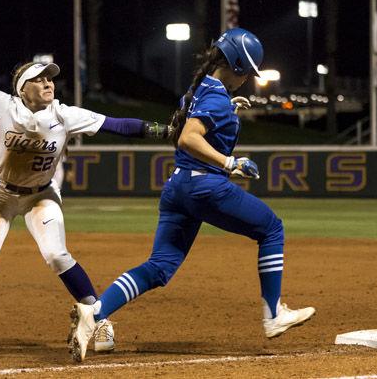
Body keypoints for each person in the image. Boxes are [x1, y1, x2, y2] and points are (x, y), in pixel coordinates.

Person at [0, 35, 170, 353]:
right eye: (38, 79)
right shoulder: (3, 105)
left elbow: (118, 125)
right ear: (23, 90)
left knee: (56, 254)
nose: (47, 83)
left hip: (41, 195)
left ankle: (99, 318)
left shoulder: (64, 115)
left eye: (49, 77)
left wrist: (163, 130)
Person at [68, 27, 315, 362]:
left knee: (159, 267)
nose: (248, 80)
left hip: (178, 188)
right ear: (239, 66)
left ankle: (94, 314)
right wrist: (230, 163)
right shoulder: (214, 97)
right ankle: (273, 315)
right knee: (271, 229)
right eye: (248, 73)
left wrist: (229, 107)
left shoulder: (200, 89)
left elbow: (195, 123)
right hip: (204, 187)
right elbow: (188, 138)